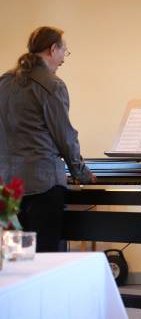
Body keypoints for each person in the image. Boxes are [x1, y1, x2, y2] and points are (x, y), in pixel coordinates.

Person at [0, 26, 95, 252]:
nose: (63, 58)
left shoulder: (4, 83)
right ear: (53, 49)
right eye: (64, 51)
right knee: (45, 256)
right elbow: (64, 136)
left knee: (16, 259)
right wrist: (81, 172)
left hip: (8, 187)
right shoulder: (52, 85)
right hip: (42, 185)